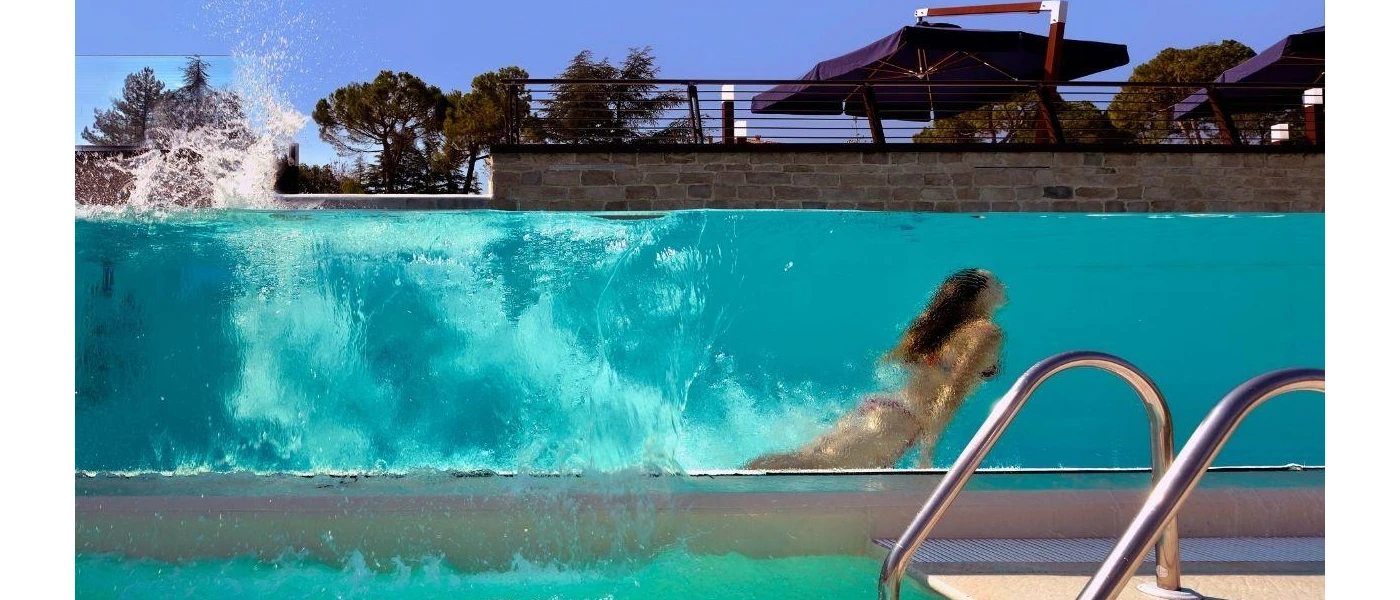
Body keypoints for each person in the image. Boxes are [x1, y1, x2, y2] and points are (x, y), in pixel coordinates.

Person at [743, 268, 1007, 470]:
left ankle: (733, 482)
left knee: (805, 459)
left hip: (883, 409)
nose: (1002, 285)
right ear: (981, 294)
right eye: (995, 282)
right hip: (898, 423)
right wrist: (928, 451)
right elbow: (954, 389)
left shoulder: (948, 329)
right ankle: (728, 489)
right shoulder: (986, 332)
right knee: (813, 464)